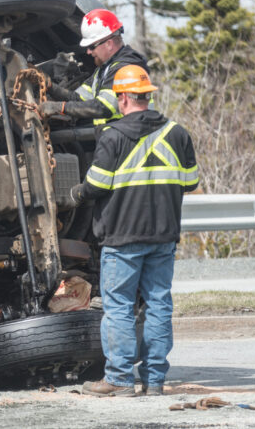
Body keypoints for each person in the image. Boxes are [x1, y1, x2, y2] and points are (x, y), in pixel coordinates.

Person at [69, 65, 198, 397]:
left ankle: (119, 379)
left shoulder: (112, 136)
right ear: (147, 96)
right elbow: (190, 181)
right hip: (163, 236)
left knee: (119, 307)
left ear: (123, 98)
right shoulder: (178, 133)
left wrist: (76, 193)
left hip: (122, 237)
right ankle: (154, 380)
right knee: (158, 304)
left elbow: (96, 186)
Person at [39, 9, 149, 127]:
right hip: (117, 133)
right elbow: (77, 98)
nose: (88, 52)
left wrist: (60, 107)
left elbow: (103, 107)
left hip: (132, 135)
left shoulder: (126, 68)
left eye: (92, 46)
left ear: (109, 44)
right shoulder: (104, 70)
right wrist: (49, 86)